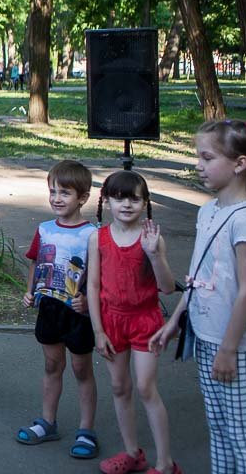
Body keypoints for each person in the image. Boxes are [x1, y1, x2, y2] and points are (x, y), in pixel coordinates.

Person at [151, 119, 246, 474]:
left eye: (207, 158)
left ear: (240, 164)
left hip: (235, 346)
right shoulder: (208, 211)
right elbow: (197, 279)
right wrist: (175, 321)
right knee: (219, 430)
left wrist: (228, 350)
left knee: (240, 435)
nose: (198, 165)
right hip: (205, 336)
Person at [87, 171, 179, 474]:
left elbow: (167, 287)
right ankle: (131, 452)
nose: (126, 204)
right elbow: (93, 287)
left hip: (145, 321)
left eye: (134, 198)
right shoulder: (97, 238)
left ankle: (165, 463)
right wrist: (98, 331)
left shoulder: (152, 239)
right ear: (107, 201)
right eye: (119, 197)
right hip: (111, 322)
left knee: (145, 387)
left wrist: (154, 256)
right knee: (119, 387)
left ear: (145, 203)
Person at [16, 160, 99, 460]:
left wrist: (91, 302)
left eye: (64, 192)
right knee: (52, 366)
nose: (56, 198)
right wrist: (29, 291)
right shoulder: (44, 229)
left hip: (79, 312)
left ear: (83, 198)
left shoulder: (93, 234)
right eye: (52, 191)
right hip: (49, 308)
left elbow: (102, 277)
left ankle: (86, 430)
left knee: (81, 369)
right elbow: (35, 262)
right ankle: (48, 422)